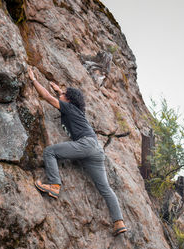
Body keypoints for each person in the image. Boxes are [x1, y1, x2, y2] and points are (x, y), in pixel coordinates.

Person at [27, 68, 127, 236]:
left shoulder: (69, 108)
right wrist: (60, 90)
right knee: (105, 188)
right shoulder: (77, 111)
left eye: (64, 94)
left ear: (69, 100)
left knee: (50, 152)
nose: (61, 94)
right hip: (96, 150)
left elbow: (47, 97)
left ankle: (54, 185)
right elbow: (62, 97)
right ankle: (119, 222)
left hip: (86, 145)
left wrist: (33, 80)